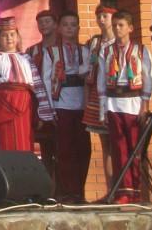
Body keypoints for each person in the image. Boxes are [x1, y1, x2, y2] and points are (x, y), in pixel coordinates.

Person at [98, 9, 152, 204]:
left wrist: (145, 104)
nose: (117, 28)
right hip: (114, 102)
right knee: (118, 148)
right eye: (115, 25)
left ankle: (135, 190)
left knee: (134, 148)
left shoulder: (141, 50)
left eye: (121, 25)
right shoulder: (106, 51)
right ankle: (123, 190)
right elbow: (101, 81)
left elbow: (148, 78)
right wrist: (103, 109)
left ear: (130, 28)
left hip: (134, 102)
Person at [42, 11, 90, 203]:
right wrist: (50, 107)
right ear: (59, 29)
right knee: (64, 149)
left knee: (83, 148)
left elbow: (89, 77)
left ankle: (79, 191)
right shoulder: (51, 52)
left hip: (82, 105)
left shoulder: (85, 51)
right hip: (61, 103)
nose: (70, 28)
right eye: (66, 24)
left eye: (73, 25)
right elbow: (46, 80)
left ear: (78, 28)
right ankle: (67, 192)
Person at [0, 16, 54, 150]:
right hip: (2, 105)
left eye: (12, 34)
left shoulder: (26, 58)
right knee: (5, 141)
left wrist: (43, 111)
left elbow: (38, 85)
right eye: (4, 35)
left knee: (23, 139)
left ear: (18, 37)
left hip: (25, 105)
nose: (9, 38)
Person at [83, 4, 117, 192]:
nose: (101, 20)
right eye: (99, 16)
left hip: (115, 96)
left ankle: (123, 188)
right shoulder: (94, 43)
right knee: (106, 145)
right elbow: (88, 70)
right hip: (97, 95)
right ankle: (110, 189)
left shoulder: (119, 42)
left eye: (105, 16)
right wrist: (87, 98)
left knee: (118, 143)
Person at [27, 8, 59, 176]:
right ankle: (48, 186)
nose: (44, 25)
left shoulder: (63, 48)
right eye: (40, 22)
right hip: (40, 104)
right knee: (45, 147)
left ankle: (62, 187)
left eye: (47, 21)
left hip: (60, 103)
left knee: (62, 147)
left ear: (55, 25)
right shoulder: (31, 51)